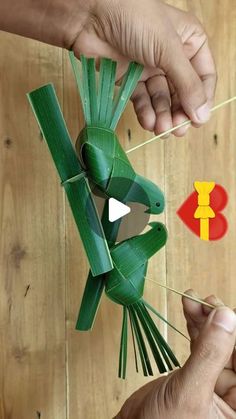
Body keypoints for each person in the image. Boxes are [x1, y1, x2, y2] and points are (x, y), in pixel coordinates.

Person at [0, 1, 235, 418]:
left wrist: (88, 17)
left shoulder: (136, 220)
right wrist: (88, 16)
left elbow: (136, 228)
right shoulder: (133, 209)